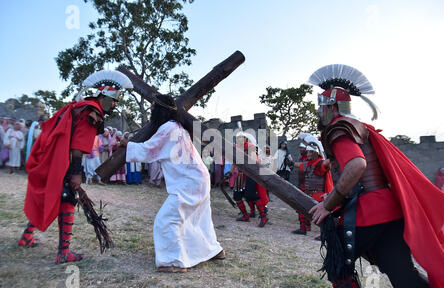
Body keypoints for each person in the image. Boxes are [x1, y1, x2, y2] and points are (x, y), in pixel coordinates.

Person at [307, 64, 444, 288]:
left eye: (321, 108)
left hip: (368, 211)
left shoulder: (339, 128)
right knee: (403, 277)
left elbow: (356, 165)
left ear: (331, 107)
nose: (319, 113)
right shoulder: (360, 127)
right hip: (390, 212)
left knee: (338, 265)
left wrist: (328, 204)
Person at [17, 70, 132, 264]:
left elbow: (83, 134)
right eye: (113, 100)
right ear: (103, 96)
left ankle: (27, 236)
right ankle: (63, 252)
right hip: (66, 162)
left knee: (56, 198)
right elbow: (78, 146)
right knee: (67, 200)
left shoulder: (83, 108)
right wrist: (76, 174)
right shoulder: (91, 111)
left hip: (59, 159)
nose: (114, 105)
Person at [123, 93, 224, 273]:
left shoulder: (168, 129)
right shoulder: (178, 127)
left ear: (160, 110)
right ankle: (213, 250)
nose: (151, 109)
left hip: (188, 181)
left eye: (153, 106)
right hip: (198, 177)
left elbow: (147, 150)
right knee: (199, 218)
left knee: (166, 220)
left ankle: (173, 261)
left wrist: (127, 145)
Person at [227, 132, 269, 227]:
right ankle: (245, 216)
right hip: (240, 175)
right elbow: (235, 162)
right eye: (238, 138)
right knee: (237, 196)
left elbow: (254, 161)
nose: (240, 140)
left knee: (251, 195)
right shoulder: (236, 148)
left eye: (242, 138)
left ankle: (264, 216)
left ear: (245, 139)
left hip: (251, 174)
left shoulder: (251, 147)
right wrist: (230, 172)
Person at [293, 142, 333, 235]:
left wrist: (332, 156)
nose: (308, 154)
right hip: (308, 193)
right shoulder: (307, 164)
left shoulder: (321, 164)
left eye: (311, 152)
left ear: (316, 153)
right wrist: (290, 162)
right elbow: (298, 165)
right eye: (308, 152)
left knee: (322, 215)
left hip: (319, 194)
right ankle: (303, 228)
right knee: (300, 207)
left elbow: (329, 162)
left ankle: (323, 233)